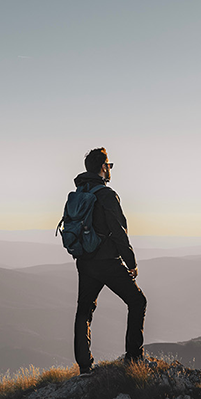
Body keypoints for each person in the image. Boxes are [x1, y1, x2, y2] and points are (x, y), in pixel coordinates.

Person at [72, 147, 147, 375]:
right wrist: (131, 262)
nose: (110, 170)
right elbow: (119, 231)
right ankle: (133, 358)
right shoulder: (106, 195)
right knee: (137, 302)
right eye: (109, 165)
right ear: (104, 167)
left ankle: (85, 367)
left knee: (84, 311)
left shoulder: (79, 194)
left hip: (85, 261)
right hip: (108, 262)